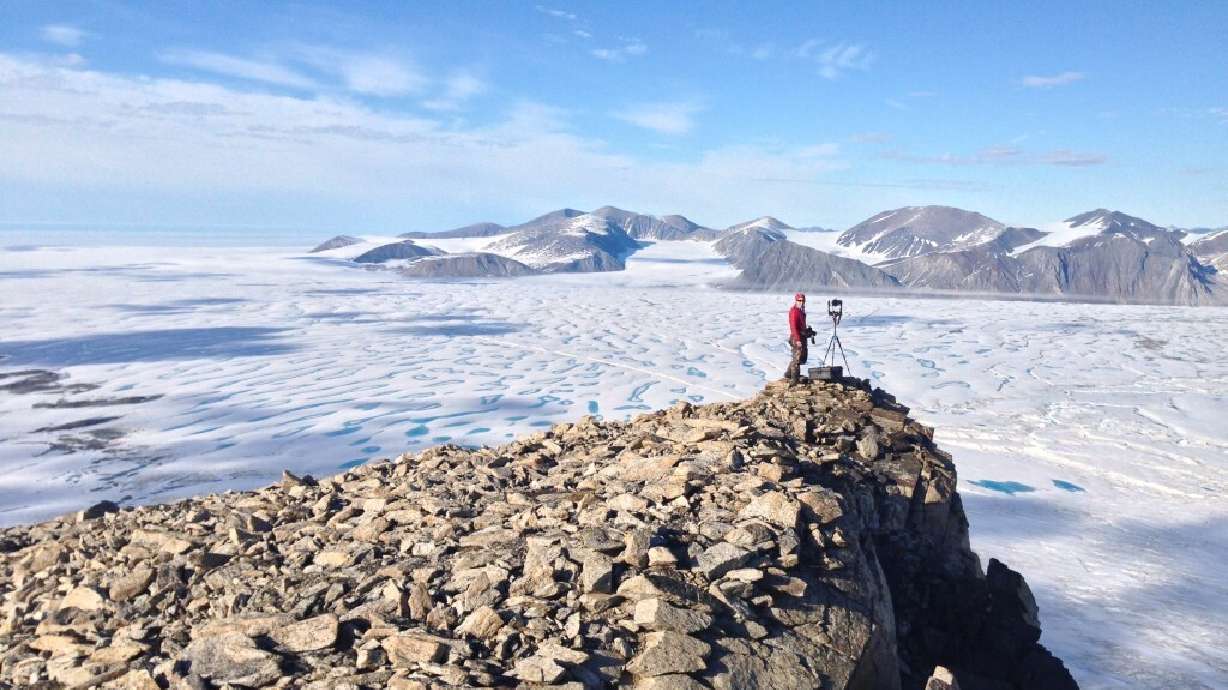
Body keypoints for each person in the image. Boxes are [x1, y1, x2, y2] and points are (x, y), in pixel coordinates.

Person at [786, 292, 814, 383]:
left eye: (803, 301)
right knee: (797, 359)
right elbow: (793, 327)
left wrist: (808, 332)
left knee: (800, 358)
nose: (801, 302)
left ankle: (788, 374)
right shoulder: (794, 311)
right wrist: (797, 339)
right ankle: (794, 379)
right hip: (796, 338)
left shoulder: (800, 311)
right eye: (799, 300)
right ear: (796, 300)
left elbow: (801, 326)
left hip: (801, 337)